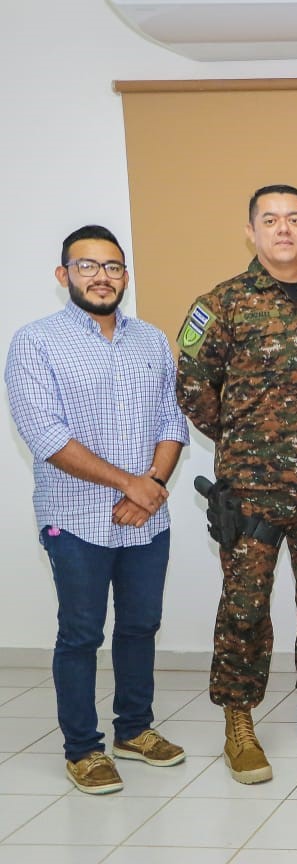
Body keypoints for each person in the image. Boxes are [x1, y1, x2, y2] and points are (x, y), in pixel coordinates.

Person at [176, 184, 297, 785]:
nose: (283, 229)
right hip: (252, 489)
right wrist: (240, 441)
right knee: (245, 607)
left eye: (294, 219)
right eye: (270, 220)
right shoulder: (218, 304)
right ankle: (240, 722)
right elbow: (190, 385)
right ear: (251, 232)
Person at [5, 225, 189, 795]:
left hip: (146, 518)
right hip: (75, 518)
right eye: (87, 266)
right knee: (81, 633)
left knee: (140, 627)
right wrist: (129, 484)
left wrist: (152, 483)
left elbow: (172, 420)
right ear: (64, 276)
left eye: (112, 266)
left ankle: (134, 729)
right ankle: (83, 748)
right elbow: (46, 435)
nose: (102, 276)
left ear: (125, 277)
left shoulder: (152, 341)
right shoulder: (34, 342)